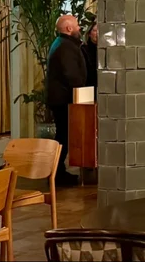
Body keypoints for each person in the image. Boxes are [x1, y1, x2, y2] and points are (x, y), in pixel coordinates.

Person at [47, 15, 87, 186]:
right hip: (63, 100)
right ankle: (56, 173)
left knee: (63, 135)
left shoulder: (63, 44)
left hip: (61, 98)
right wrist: (82, 90)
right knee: (63, 136)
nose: (79, 28)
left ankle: (57, 171)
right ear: (69, 29)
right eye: (77, 25)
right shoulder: (65, 47)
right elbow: (71, 75)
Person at [81, 22, 98, 99]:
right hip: (89, 87)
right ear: (89, 34)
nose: (98, 33)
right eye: (95, 30)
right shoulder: (83, 49)